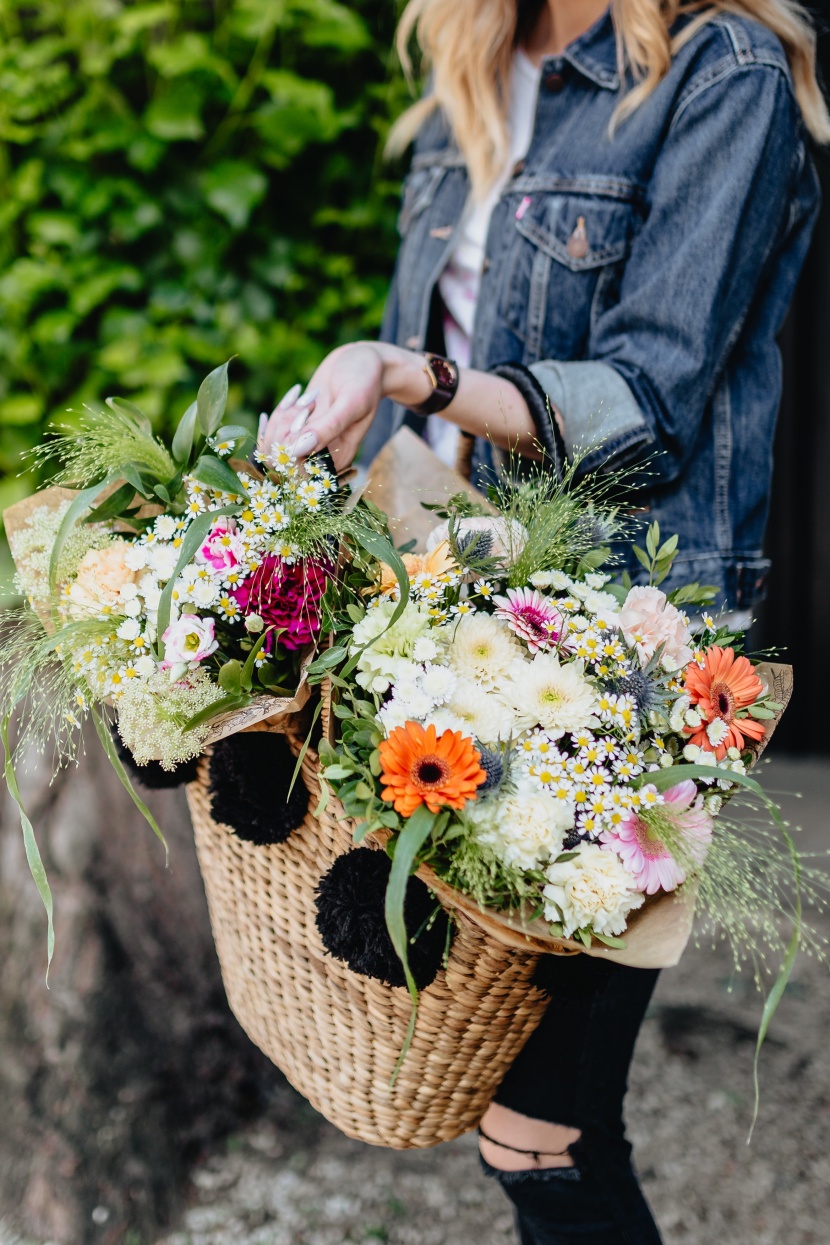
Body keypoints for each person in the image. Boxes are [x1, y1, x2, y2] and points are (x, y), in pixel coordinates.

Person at [262, 0, 827, 1240]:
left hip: (625, 644)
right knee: (516, 1119)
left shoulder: (717, 71)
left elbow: (650, 398)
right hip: (453, 618)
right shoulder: (467, 65)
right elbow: (416, 358)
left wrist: (415, 377)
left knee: (541, 1137)